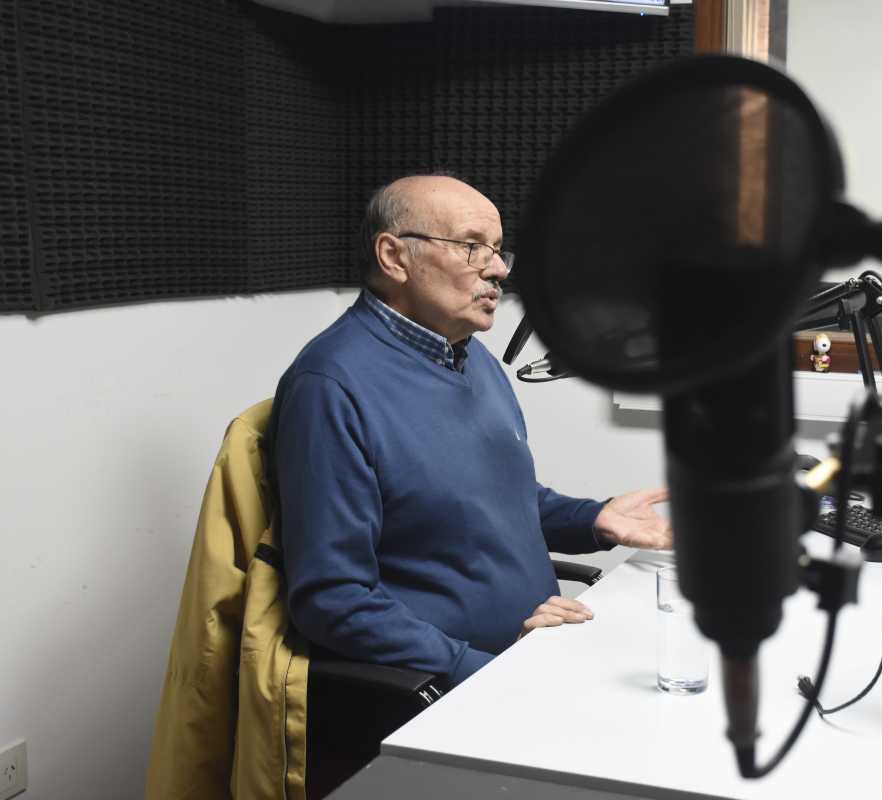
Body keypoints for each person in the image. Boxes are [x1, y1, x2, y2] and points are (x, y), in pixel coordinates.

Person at [266, 175, 672, 692]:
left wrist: (596, 518)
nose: (499, 270)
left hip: (543, 645)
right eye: (472, 247)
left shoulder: (467, 355)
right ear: (394, 256)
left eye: (500, 251)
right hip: (462, 687)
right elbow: (333, 600)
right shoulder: (330, 386)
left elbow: (497, 501)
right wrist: (482, 669)